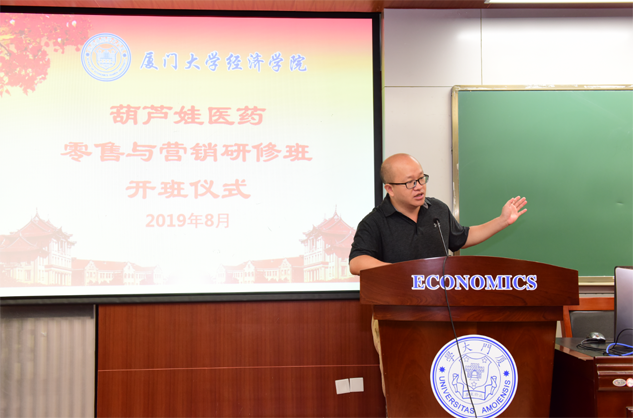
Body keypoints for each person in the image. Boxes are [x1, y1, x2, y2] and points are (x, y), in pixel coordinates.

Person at [349, 153, 527, 396]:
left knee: (444, 383)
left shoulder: (437, 210)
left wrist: (502, 221)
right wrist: (403, 273)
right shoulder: (374, 222)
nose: (419, 187)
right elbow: (357, 262)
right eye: (410, 182)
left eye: (421, 179)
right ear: (389, 188)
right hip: (395, 315)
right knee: (404, 386)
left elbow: (462, 237)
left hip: (442, 311)